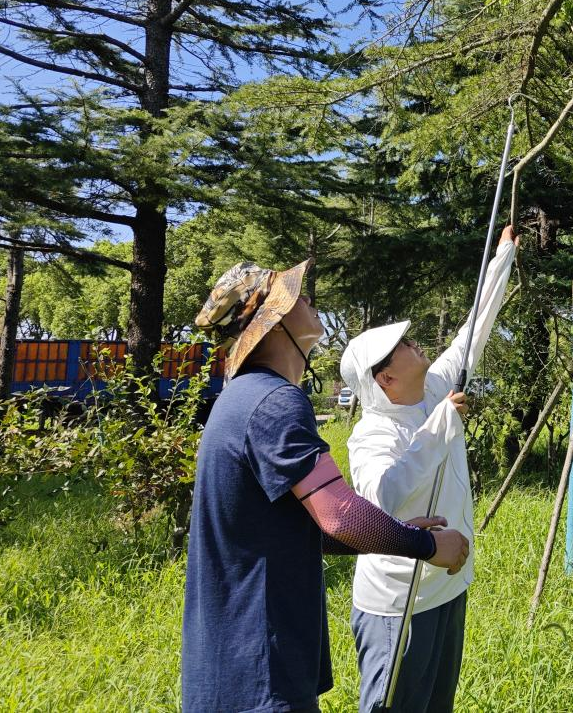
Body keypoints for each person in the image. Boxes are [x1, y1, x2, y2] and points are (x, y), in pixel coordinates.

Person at [182, 258, 470, 713]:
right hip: (259, 664)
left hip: (243, 656)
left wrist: (395, 536)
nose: (309, 299)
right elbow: (341, 514)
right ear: (273, 325)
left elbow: (310, 528)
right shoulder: (275, 402)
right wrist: (428, 547)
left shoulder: (244, 397)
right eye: (294, 297)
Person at [341, 225, 518, 713]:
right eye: (401, 344)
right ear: (386, 377)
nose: (413, 341)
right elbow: (381, 500)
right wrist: (441, 427)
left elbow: (474, 329)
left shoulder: (434, 388)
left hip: (449, 586)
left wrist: (503, 255)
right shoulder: (373, 434)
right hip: (401, 606)